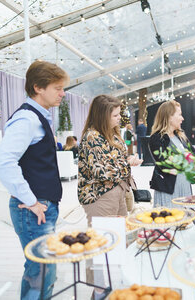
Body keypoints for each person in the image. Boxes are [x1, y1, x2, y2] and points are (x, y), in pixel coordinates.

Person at [0, 61, 69, 300]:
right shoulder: (27, 119)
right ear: (38, 87)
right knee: (40, 272)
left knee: (44, 271)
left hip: (41, 208)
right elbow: (2, 162)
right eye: (57, 88)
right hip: (33, 210)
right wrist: (30, 200)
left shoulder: (38, 117)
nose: (62, 93)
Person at [78, 95, 142, 299]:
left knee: (121, 239)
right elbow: (102, 171)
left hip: (118, 193)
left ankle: (121, 282)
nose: (118, 118)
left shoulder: (113, 134)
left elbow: (117, 162)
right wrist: (127, 164)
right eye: (114, 115)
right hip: (100, 196)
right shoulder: (91, 136)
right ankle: (98, 290)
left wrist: (127, 159)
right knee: (99, 243)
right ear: (102, 115)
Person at [149, 100, 195, 207]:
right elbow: (164, 164)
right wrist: (187, 158)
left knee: (185, 220)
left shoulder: (181, 136)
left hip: (184, 186)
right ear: (169, 117)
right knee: (169, 220)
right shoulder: (157, 138)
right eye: (179, 114)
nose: (182, 118)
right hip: (168, 190)